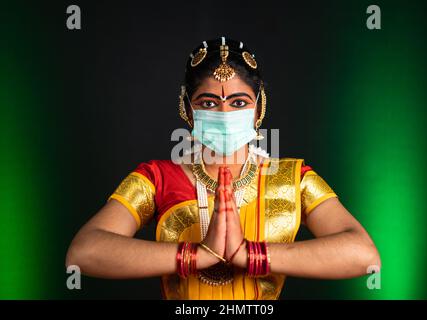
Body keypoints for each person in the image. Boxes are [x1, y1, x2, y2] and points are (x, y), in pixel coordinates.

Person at [66, 37, 380, 300]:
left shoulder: (292, 179)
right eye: (209, 103)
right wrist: (197, 255)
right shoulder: (156, 178)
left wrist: (250, 255)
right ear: (186, 108)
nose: (225, 112)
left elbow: (363, 256)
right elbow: (83, 254)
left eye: (239, 102)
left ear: (260, 106)